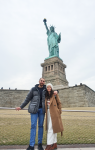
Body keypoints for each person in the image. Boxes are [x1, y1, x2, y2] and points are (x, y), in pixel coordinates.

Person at [15, 78, 58, 150]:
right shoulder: (33, 89)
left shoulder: (45, 89)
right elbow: (27, 99)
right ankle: (31, 145)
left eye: (43, 81)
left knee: (41, 126)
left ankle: (39, 145)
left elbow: (52, 91)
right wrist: (21, 106)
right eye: (41, 81)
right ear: (39, 81)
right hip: (34, 110)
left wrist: (57, 91)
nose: (42, 82)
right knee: (33, 126)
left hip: (42, 110)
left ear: (44, 82)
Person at [45, 83, 64, 150]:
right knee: (53, 129)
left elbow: (59, 103)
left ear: (52, 88)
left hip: (54, 113)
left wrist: (59, 111)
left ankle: (49, 145)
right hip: (48, 113)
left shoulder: (55, 94)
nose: (49, 88)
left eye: (50, 87)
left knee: (50, 129)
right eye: (48, 87)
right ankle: (55, 144)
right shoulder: (46, 95)